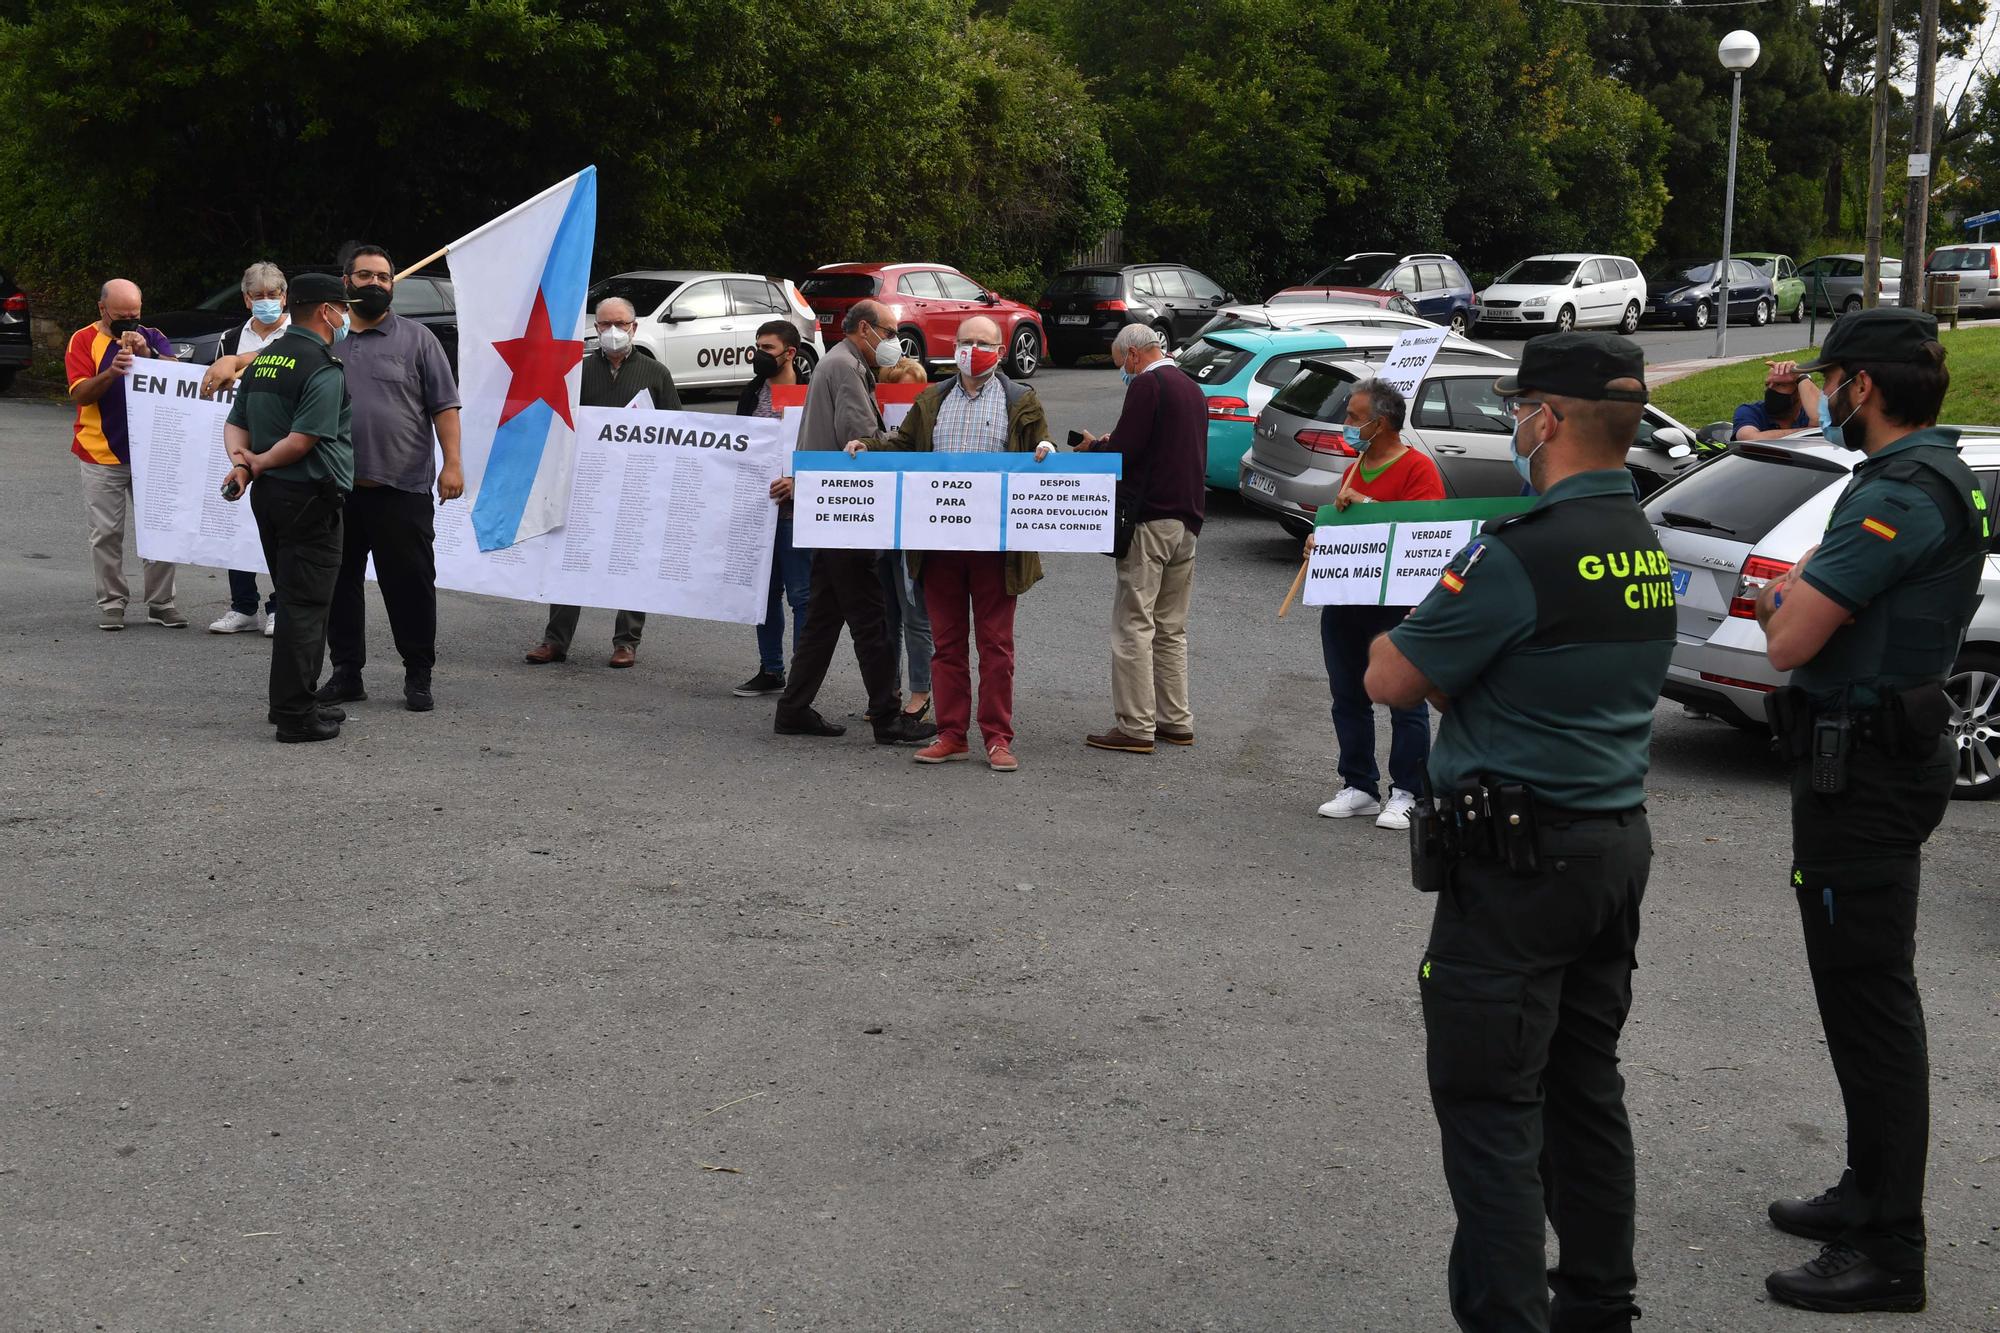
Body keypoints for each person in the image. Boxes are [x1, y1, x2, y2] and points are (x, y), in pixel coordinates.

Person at [1364, 332, 1674, 1333]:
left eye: (1515, 407)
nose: (1511, 424)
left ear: (1543, 418)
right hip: (1608, 842)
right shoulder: (1641, 539)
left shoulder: (1519, 549)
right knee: (1584, 1091)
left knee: (1491, 1109)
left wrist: (1420, 646)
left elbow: (1390, 677)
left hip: (1515, 865)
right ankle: (1597, 1306)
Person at [1752, 310, 1984, 1316]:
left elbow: (1786, 638)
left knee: (1870, 1005)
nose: (1821, 392)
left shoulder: (1896, 492)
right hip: (1872, 760)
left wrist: (1784, 597)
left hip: (1868, 774)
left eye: (1829, 376)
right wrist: (1800, 594)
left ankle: (1890, 1248)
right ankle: (1863, 1192)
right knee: (1855, 998)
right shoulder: (1931, 476)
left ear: (1860, 386)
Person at [844, 315, 1057, 771]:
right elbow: (903, 446)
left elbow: (1040, 447)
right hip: (938, 544)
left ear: (1000, 352)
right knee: (947, 645)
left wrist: (1048, 453)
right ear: (954, 347)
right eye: (965, 341)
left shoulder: (1020, 400)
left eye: (982, 342)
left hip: (998, 549)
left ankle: (998, 738)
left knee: (996, 647)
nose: (971, 348)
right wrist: (867, 446)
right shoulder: (932, 398)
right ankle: (952, 734)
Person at [771, 301, 935, 746]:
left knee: (825, 617)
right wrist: (909, 443)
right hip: (846, 509)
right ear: (865, 329)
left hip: (833, 508)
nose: (895, 342)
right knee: (872, 618)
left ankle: (793, 708)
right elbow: (859, 436)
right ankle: (886, 717)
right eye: (890, 330)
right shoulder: (845, 367)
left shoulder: (839, 362)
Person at [314, 244, 463, 713]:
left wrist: (452, 463)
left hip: (402, 488)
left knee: (411, 586)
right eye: (365, 276)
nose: (375, 284)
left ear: (393, 284)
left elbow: (445, 406)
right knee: (339, 586)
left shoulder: (419, 340)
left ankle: (418, 675)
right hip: (335, 488)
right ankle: (346, 674)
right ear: (346, 283)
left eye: (383, 277)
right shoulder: (325, 339)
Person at [218, 274, 356, 743]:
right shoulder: (322, 366)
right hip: (310, 497)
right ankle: (295, 715)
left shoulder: (263, 361)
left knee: (296, 598)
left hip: (271, 497)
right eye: (343, 307)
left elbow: (235, 424)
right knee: (306, 606)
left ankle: (300, 698)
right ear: (325, 311)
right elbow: (303, 439)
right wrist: (258, 461)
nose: (346, 317)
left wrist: (243, 464)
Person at [1310, 379, 1445, 830]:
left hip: (1395, 604)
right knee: (1347, 695)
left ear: (1380, 423)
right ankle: (1359, 785)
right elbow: (1348, 528)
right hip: (1347, 596)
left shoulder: (1418, 469)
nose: (1346, 424)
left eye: (1353, 417)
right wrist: (1320, 539)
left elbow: (1425, 534)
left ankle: (1408, 791)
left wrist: (1366, 504)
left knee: (1405, 699)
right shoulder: (1358, 463)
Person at [523, 296, 679, 669]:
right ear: (595, 329)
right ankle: (555, 640)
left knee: (630, 559)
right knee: (569, 557)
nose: (613, 331)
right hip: (582, 482)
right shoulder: (576, 371)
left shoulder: (656, 373)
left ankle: (627, 641)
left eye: (621, 324)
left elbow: (676, 430)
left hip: (635, 483)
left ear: (634, 327)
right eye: (605, 324)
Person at [1077, 323, 1205, 754]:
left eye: (1121, 365)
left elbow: (1125, 452)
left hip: (1150, 518)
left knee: (1133, 623)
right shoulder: (1191, 388)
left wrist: (1094, 448)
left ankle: (1136, 726)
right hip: (1187, 519)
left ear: (1134, 355)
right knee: (1171, 628)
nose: (1123, 373)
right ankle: (1176, 720)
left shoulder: (1148, 385)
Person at [65, 279, 184, 631]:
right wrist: (111, 372)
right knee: (105, 533)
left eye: (135, 314)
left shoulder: (153, 335)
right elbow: (80, 394)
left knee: (160, 529)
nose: (130, 323)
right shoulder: (83, 340)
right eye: (121, 316)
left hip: (151, 452)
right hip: (100, 451)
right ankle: (112, 603)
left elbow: (179, 379)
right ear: (103, 309)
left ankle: (162, 603)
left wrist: (147, 355)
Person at [208, 262, 292, 637]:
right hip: (238, 442)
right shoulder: (229, 338)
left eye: (273, 295)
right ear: (245, 299)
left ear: (284, 297)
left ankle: (279, 605)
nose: (266, 302)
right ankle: (242, 605)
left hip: (282, 443)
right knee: (235, 523)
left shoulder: (297, 334)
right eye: (258, 296)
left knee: (279, 527)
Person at [732, 319, 812, 698]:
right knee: (763, 595)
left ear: (790, 353)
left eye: (768, 349)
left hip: (794, 514)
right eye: (757, 347)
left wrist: (799, 483)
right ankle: (771, 669)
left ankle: (802, 674)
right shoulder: (751, 393)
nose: (759, 355)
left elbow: (821, 450)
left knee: (801, 596)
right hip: (756, 512)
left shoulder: (810, 396)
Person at [873, 352, 935, 724]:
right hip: (882, 526)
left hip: (914, 528)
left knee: (915, 617)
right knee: (885, 618)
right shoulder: (877, 422)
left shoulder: (932, 418)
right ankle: (887, 692)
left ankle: (920, 692)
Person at [1731, 360, 1822, 441]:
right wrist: (1811, 431)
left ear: (1800, 391)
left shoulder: (1808, 412)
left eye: (1780, 385)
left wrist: (1801, 375)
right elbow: (1749, 439)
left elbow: (1825, 421)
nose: (1769, 389)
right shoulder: (1750, 411)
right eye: (1767, 384)